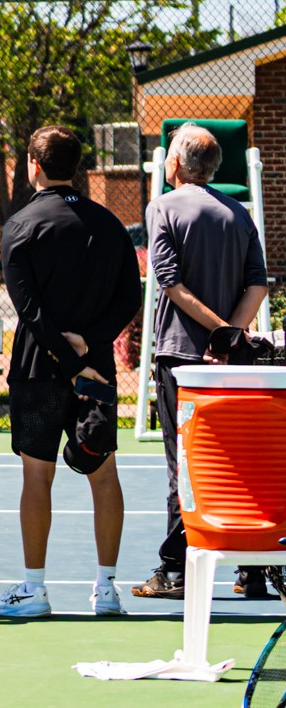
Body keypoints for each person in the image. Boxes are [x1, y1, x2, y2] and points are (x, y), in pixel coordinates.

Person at [0, 126, 139, 618]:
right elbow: (129, 300)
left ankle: (34, 590)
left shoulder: (20, 226)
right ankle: (107, 588)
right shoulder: (109, 224)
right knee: (104, 473)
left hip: (38, 369)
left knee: (37, 476)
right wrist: (89, 348)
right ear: (74, 165)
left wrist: (69, 355)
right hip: (94, 370)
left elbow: (29, 311)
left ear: (34, 165)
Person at [131, 123, 269, 600]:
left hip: (181, 357)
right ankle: (252, 567)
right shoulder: (238, 213)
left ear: (175, 164)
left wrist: (217, 332)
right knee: (238, 462)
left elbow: (168, 281)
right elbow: (258, 282)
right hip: (234, 363)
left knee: (184, 465)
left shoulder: (163, 207)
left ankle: (178, 569)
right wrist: (233, 334)